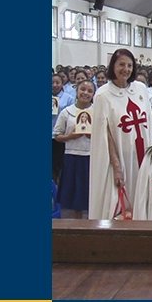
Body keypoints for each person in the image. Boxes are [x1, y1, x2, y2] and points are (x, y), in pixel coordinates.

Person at [88, 49, 152, 220]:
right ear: (113, 66)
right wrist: (116, 166)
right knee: (121, 205)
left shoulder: (140, 89)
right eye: (121, 65)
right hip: (120, 159)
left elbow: (150, 124)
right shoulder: (103, 94)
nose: (125, 69)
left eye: (129, 65)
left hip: (144, 155)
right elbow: (105, 134)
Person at [53, 79, 96, 219]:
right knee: (75, 195)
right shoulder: (66, 112)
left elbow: (106, 135)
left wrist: (93, 136)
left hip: (92, 156)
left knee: (91, 193)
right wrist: (70, 136)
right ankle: (78, 224)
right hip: (72, 156)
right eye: (82, 89)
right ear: (76, 91)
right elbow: (57, 135)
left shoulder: (97, 112)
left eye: (90, 91)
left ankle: (93, 223)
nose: (85, 93)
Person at [52, 73, 74, 184]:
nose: (55, 85)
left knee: (60, 164)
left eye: (57, 83)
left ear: (62, 84)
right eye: (52, 83)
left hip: (62, 136)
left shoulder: (68, 98)